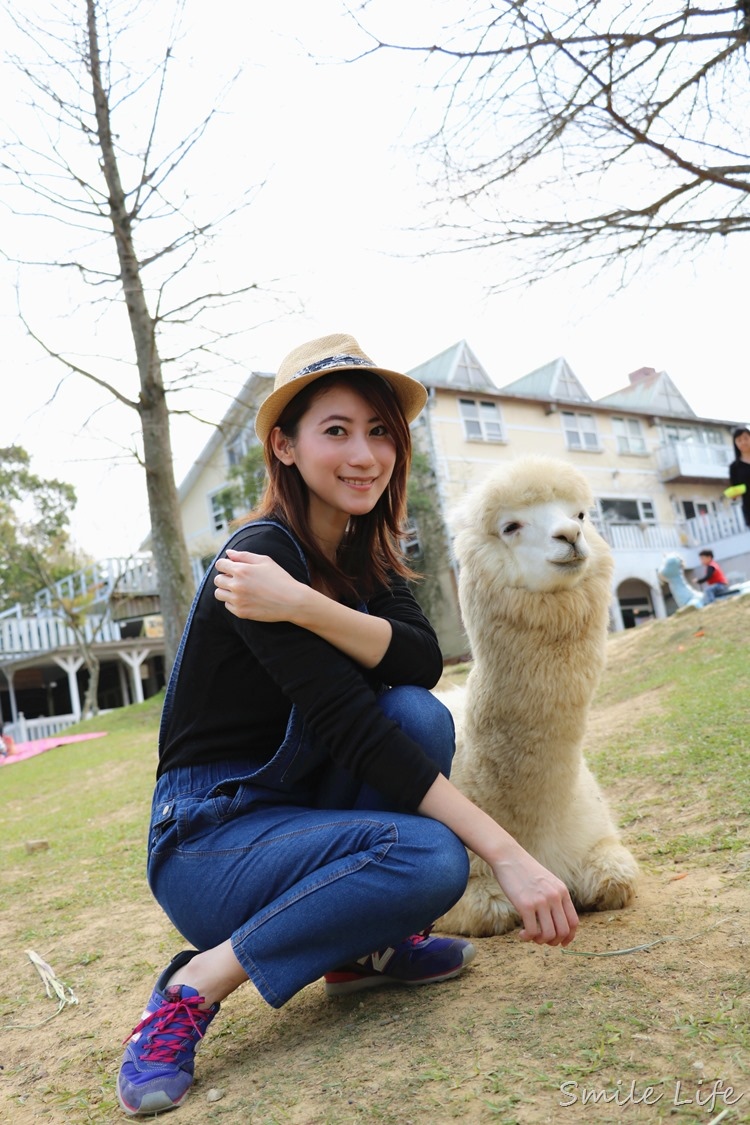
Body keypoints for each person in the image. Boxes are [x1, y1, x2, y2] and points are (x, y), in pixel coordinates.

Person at [116, 333, 578, 1117]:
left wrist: (305, 605)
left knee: (416, 714)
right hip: (209, 840)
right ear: (284, 446)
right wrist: (507, 854)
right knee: (432, 857)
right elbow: (355, 734)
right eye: (336, 430)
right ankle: (195, 983)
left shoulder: (364, 556)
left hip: (296, 806)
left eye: (379, 432)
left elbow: (421, 659)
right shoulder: (256, 559)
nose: (364, 454)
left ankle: (361, 950)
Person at [728, 426, 750, 530]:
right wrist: (733, 494)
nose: (743, 442)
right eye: (739, 440)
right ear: (735, 443)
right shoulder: (734, 467)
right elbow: (735, 491)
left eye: (746, 438)